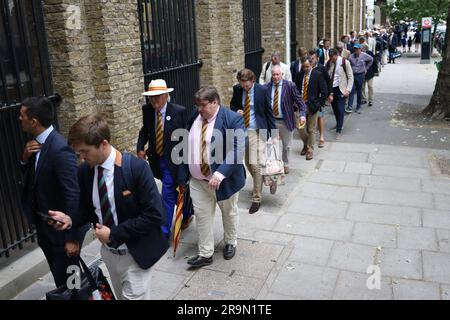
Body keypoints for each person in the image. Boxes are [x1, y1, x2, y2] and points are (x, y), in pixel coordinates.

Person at [49, 114, 168, 300]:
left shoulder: (136, 169)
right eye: (78, 153)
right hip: (110, 255)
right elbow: (88, 209)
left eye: (85, 151)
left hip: (137, 254)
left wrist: (114, 234)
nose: (81, 158)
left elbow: (155, 215)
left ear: (103, 144)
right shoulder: (85, 172)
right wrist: (70, 220)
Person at [19, 96, 88, 288]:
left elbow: (74, 196)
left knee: (71, 283)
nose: (19, 119)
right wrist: (25, 159)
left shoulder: (60, 150)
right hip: (47, 230)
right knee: (62, 282)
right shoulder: (36, 144)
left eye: (21, 115)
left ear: (34, 122)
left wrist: (72, 238)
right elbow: (35, 179)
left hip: (63, 234)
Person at [179, 86, 246, 268]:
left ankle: (230, 241)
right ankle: (205, 253)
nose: (199, 109)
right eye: (197, 105)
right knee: (202, 216)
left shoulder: (233, 119)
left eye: (203, 105)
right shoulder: (195, 116)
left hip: (222, 181)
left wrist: (220, 172)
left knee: (229, 212)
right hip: (197, 181)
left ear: (215, 102)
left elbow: (237, 149)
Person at [137, 79, 193, 239]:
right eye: (152, 97)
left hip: (174, 160)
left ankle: (163, 232)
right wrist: (140, 148)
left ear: (167, 95)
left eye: (159, 96)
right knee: (174, 190)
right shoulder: (147, 110)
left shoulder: (179, 111)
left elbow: (185, 138)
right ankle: (188, 212)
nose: (155, 100)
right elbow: (145, 131)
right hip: (157, 160)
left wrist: (185, 165)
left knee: (167, 192)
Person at [230, 68, 276, 214]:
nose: (245, 87)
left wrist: (273, 134)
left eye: (247, 85)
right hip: (243, 131)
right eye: (242, 84)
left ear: (253, 80)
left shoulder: (262, 91)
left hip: (258, 131)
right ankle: (267, 177)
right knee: (249, 163)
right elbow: (232, 104)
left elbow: (269, 112)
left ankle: (256, 198)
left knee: (255, 165)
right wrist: (236, 110)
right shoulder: (237, 89)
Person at [265, 64, 306, 175]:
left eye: (277, 74)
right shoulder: (267, 87)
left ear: (282, 75)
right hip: (272, 121)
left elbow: (300, 102)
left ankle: (286, 163)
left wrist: (302, 115)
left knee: (286, 145)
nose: (275, 77)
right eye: (273, 74)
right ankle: (274, 164)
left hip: (286, 120)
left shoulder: (289, 86)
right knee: (271, 144)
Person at [295, 57, 328, 160]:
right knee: (300, 127)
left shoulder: (317, 75)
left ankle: (310, 149)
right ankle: (306, 143)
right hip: (301, 106)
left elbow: (324, 91)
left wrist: (319, 104)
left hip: (313, 106)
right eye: (304, 67)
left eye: (307, 66)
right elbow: (295, 89)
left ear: (311, 65)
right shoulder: (300, 75)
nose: (305, 69)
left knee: (311, 128)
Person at [326, 48, 354, 140]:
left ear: (336, 55)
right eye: (329, 57)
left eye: (332, 57)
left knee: (340, 109)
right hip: (332, 89)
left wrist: (348, 90)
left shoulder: (345, 62)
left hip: (341, 89)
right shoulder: (329, 63)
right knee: (335, 109)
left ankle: (339, 130)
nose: (331, 59)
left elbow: (350, 77)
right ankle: (338, 123)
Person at [309, 50, 333, 148]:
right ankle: (311, 139)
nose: (311, 61)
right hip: (310, 98)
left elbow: (328, 81)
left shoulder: (321, 68)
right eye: (310, 59)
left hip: (319, 98)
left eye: (313, 59)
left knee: (320, 116)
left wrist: (330, 94)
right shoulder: (306, 68)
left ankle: (322, 136)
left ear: (317, 59)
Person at [347, 43, 373, 114]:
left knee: (359, 91)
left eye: (357, 49)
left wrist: (366, 68)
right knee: (351, 91)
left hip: (360, 75)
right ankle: (349, 106)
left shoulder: (364, 55)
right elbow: (348, 64)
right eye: (355, 49)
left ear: (360, 49)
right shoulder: (351, 56)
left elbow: (371, 59)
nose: (356, 50)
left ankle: (358, 106)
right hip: (352, 75)